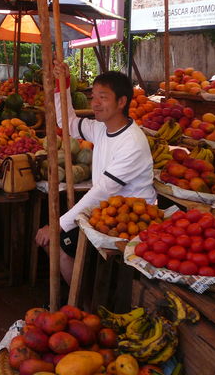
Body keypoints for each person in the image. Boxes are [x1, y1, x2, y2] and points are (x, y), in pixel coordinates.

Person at [35, 62, 156, 285]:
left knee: (56, 241)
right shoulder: (101, 128)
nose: (95, 103)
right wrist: (63, 85)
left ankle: (81, 300)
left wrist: (58, 225)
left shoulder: (132, 142)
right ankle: (82, 294)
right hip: (107, 211)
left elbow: (103, 190)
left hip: (132, 219)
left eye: (103, 97)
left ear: (121, 102)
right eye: (93, 97)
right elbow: (67, 123)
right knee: (53, 240)